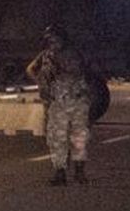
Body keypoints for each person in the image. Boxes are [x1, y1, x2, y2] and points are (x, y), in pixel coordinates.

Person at [26, 25, 91, 186]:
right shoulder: (46, 55)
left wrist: (58, 67)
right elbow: (31, 69)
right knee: (57, 138)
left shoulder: (72, 54)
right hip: (57, 102)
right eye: (50, 39)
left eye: (54, 38)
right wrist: (42, 83)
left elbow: (78, 72)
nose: (52, 42)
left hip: (76, 100)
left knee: (78, 137)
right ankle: (60, 172)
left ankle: (79, 171)